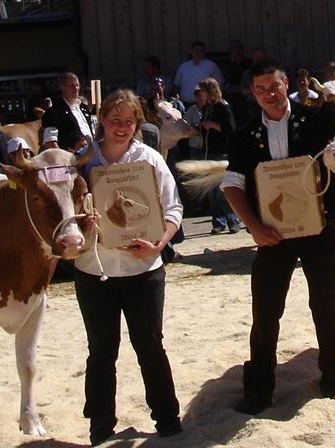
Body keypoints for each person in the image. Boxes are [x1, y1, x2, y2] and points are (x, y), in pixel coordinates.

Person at [219, 59, 335, 415]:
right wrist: (254, 228)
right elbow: (232, 185)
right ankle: (258, 392)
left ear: (286, 84)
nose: (269, 95)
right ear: (252, 92)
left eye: (274, 87)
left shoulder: (319, 119)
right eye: (260, 90)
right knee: (265, 311)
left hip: (318, 230)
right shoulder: (244, 137)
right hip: (272, 235)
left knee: (326, 305)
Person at [74, 89, 184, 445]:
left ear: (138, 123)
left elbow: (173, 209)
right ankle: (100, 424)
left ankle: (167, 418)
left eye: (129, 121)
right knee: (102, 350)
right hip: (95, 268)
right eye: (114, 120)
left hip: (143, 269)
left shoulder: (150, 158)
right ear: (101, 120)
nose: (121, 128)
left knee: (150, 344)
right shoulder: (83, 161)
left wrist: (160, 243)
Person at [191, 77, 240, 234]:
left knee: (224, 189)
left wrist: (213, 125)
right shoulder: (208, 107)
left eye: (204, 90)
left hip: (222, 152)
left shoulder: (222, 106)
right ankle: (218, 222)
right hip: (209, 152)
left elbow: (231, 129)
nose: (201, 94)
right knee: (212, 191)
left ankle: (233, 220)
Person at [41, 72, 95, 150]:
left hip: (92, 153)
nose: (76, 88)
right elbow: (50, 143)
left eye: (77, 85)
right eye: (71, 86)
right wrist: (64, 159)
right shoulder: (54, 112)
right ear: (63, 87)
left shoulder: (85, 108)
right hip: (71, 158)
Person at [174, 41, 227, 105]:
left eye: (201, 50)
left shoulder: (212, 66)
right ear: (191, 51)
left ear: (204, 52)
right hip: (186, 105)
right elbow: (176, 86)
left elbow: (221, 84)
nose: (198, 53)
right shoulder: (183, 67)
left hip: (206, 105)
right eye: (196, 50)